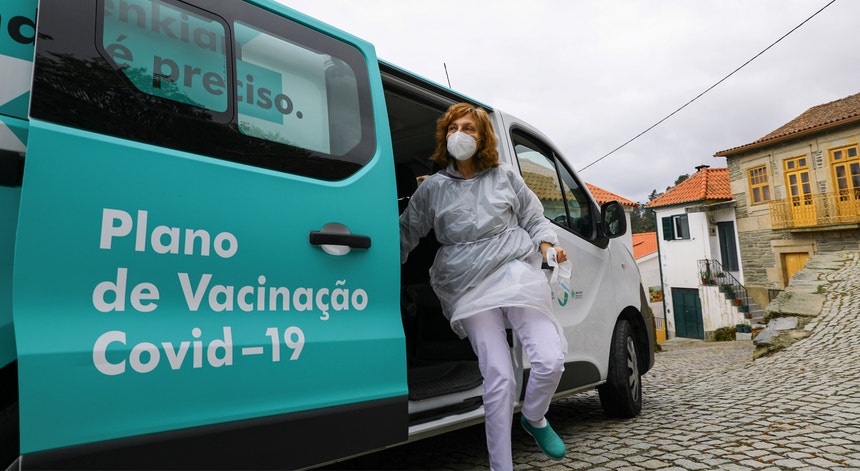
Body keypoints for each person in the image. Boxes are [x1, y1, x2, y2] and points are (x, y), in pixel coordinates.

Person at [399, 103, 568, 470]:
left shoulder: (505, 176)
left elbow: (534, 218)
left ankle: (535, 417)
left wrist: (547, 246)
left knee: (550, 360)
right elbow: (406, 231)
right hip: (465, 284)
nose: (459, 134)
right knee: (500, 377)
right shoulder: (433, 189)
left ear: (483, 138)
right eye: (453, 128)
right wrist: (376, 267)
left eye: (469, 128)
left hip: (513, 271)